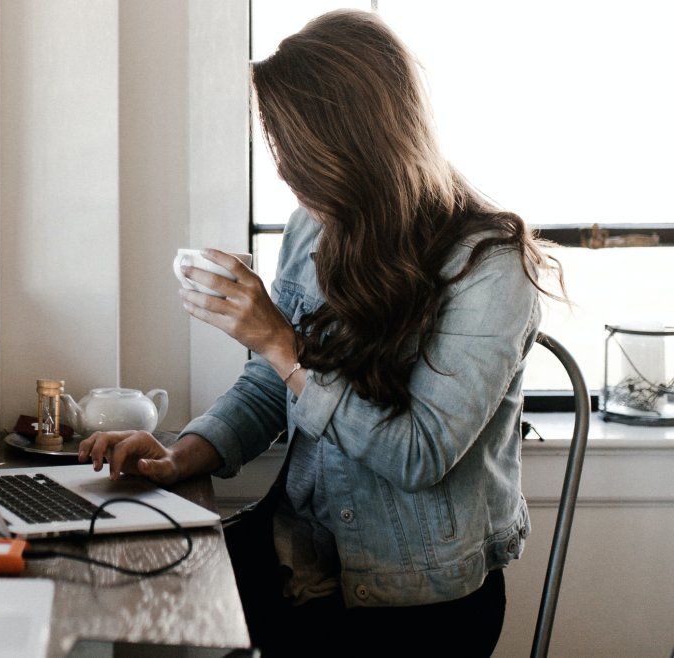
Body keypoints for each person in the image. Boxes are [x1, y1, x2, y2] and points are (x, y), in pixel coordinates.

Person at [78, 9, 563, 657]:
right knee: (115, 602)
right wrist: (179, 455)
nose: (285, 173)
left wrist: (282, 341)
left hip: (414, 598)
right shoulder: (315, 227)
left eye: (294, 152)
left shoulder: (490, 267)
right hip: (300, 552)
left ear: (357, 142)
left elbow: (417, 456)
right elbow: (268, 386)